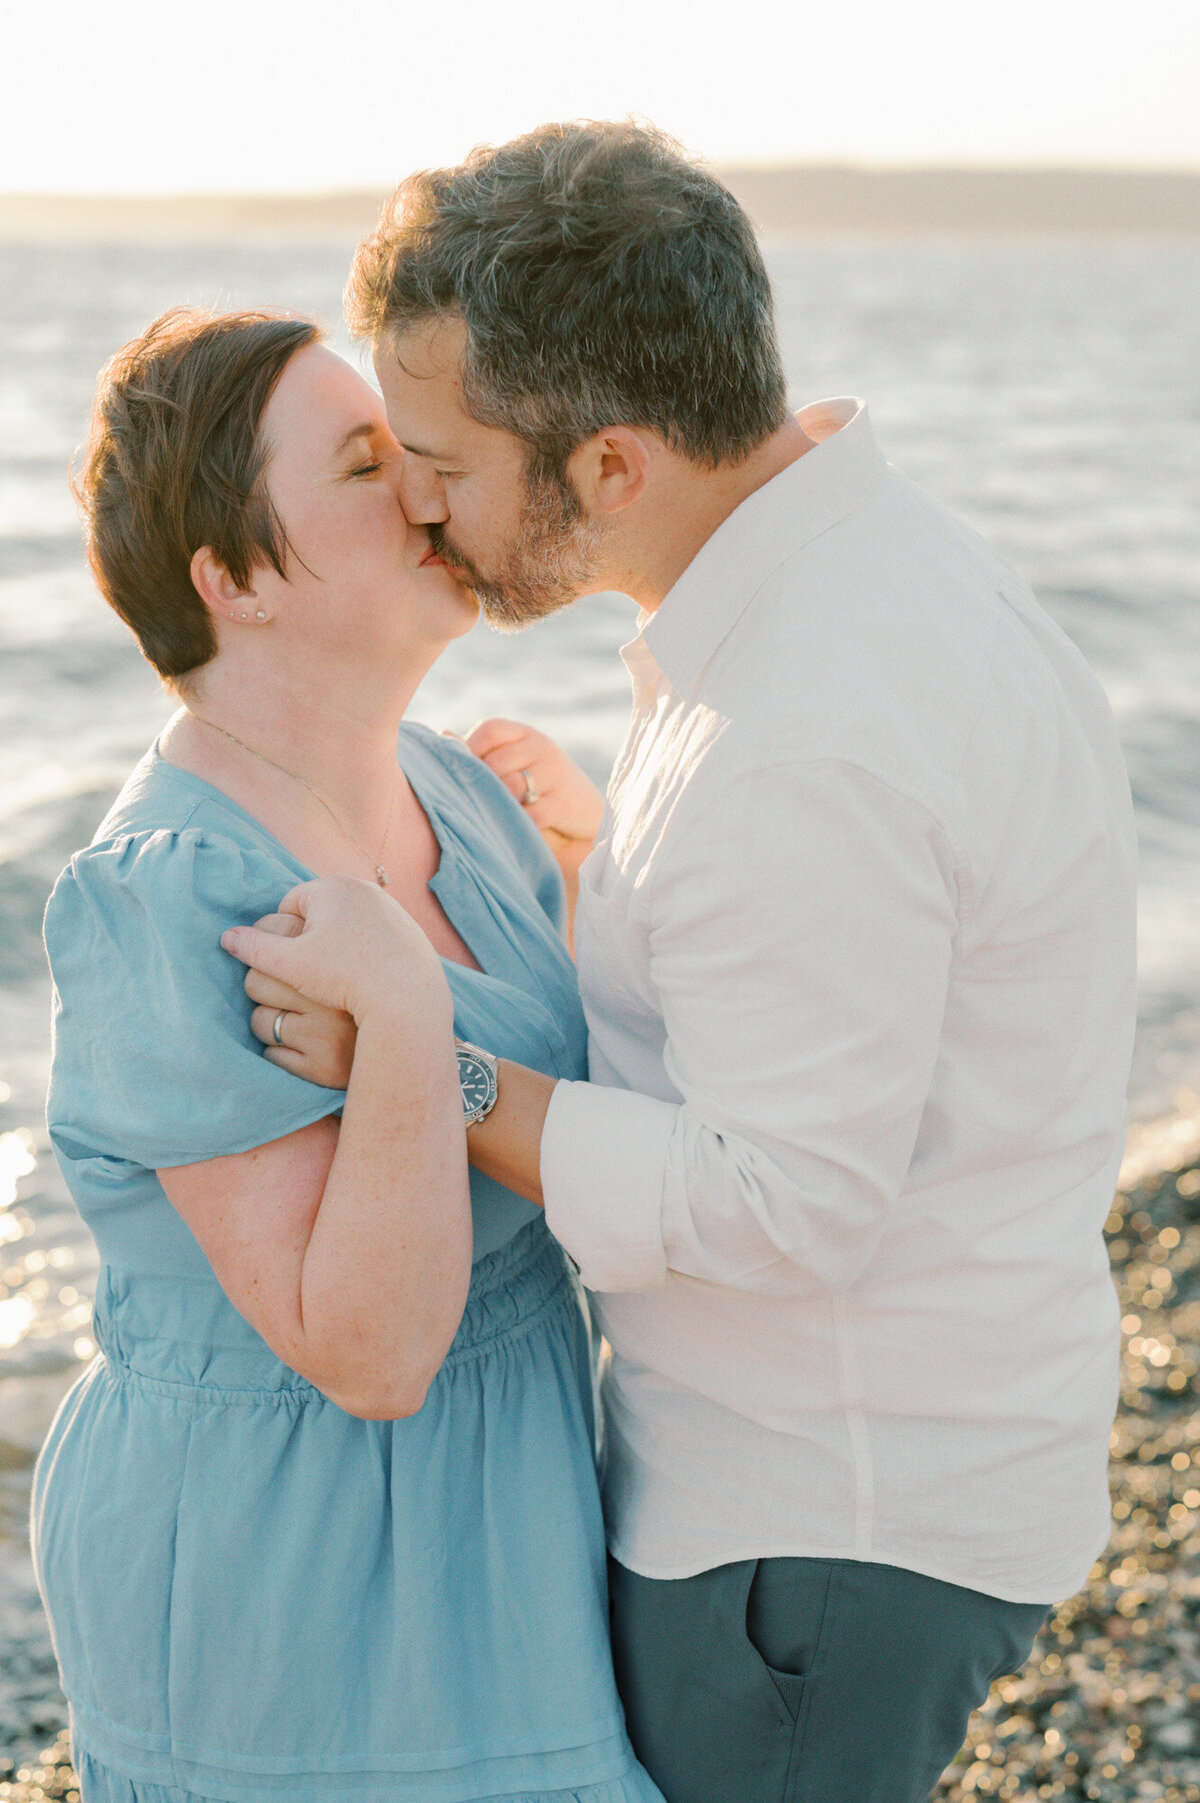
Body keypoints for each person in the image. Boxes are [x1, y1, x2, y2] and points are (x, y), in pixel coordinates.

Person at [233, 122, 1139, 1803]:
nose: (418, 509)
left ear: (612, 465)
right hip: (900, 1466)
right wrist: (594, 870)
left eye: (439, 459)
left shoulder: (804, 728)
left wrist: (425, 1057)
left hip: (818, 1525)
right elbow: (817, 998)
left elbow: (779, 1201)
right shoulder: (845, 587)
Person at [33, 305, 664, 1803]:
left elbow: (584, 1122)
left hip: (510, 1519)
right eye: (367, 462)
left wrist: (594, 873)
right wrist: (397, 1017)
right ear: (236, 576)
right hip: (286, 1570)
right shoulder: (171, 894)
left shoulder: (464, 792)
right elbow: (370, 1353)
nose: (430, 488)